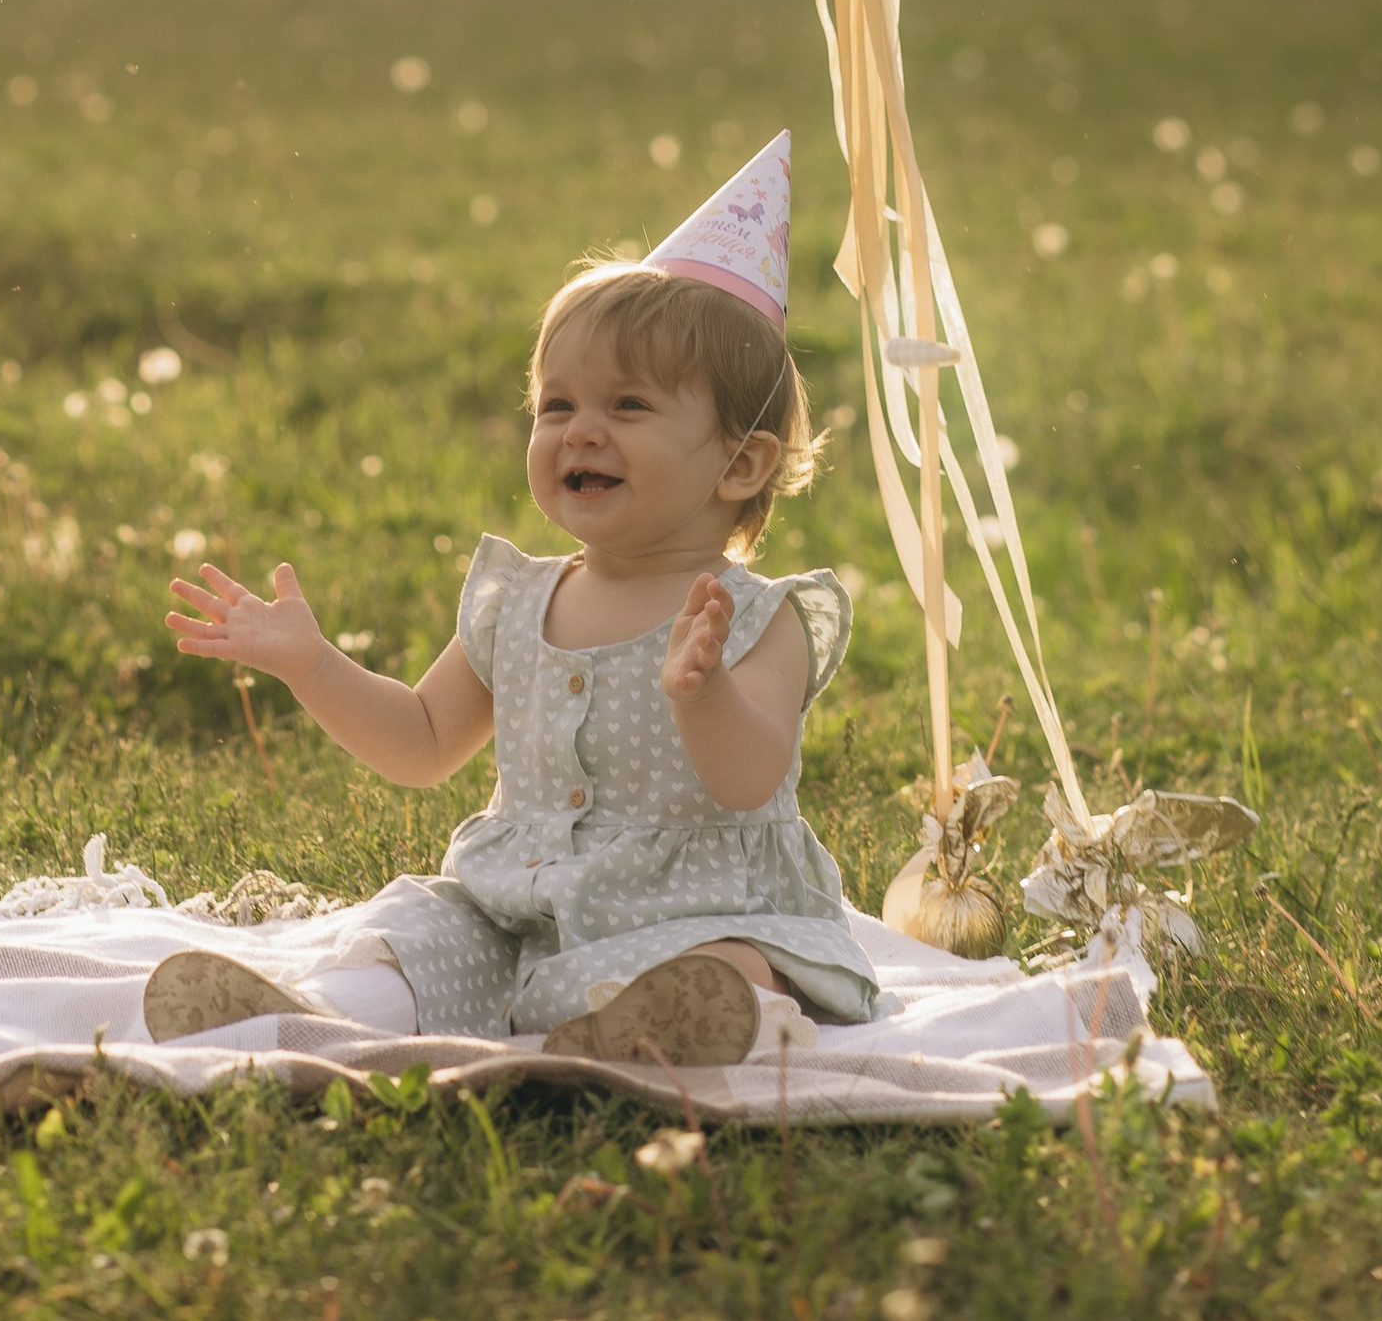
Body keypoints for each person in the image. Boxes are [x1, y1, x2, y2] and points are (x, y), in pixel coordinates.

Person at [155, 135, 875, 1060]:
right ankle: (310, 1014)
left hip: (694, 913)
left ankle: (652, 1025)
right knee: (416, 939)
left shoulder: (752, 621)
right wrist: (312, 662)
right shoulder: (522, 601)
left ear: (740, 462)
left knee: (736, 963)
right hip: (517, 912)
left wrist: (705, 694)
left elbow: (749, 781)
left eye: (628, 406)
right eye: (556, 405)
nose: (581, 430)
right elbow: (419, 741)